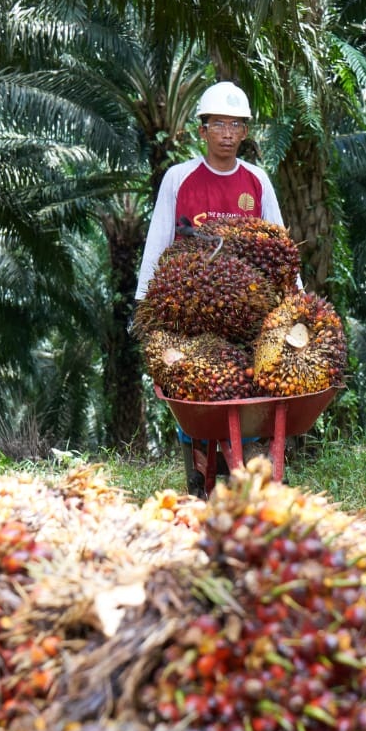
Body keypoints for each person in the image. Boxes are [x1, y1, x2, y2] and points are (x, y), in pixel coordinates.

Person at [134, 81, 287, 496]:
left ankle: (254, 465)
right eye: (218, 123)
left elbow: (279, 244)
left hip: (248, 312)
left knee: (251, 381)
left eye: (235, 125)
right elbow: (159, 241)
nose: (226, 133)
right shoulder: (179, 179)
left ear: (244, 132)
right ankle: (198, 469)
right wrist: (143, 303)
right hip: (189, 309)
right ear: (202, 130)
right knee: (190, 388)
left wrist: (295, 301)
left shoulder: (257, 182)